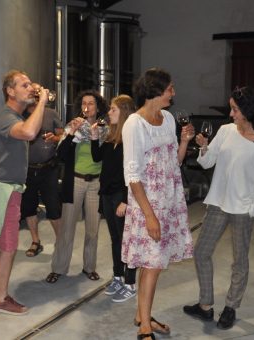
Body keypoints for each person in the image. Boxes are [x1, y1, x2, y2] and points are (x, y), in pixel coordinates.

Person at [182, 87, 254, 329]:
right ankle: (205, 305)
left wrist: (252, 209)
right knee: (201, 252)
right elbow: (207, 162)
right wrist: (204, 146)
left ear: (247, 111)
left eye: (235, 109)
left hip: (242, 210)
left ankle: (231, 306)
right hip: (217, 203)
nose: (231, 113)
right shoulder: (226, 131)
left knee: (239, 260)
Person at [122, 68, 195, 340]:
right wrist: (150, 216)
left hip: (168, 201)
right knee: (152, 264)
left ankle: (142, 314)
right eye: (170, 88)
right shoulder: (134, 124)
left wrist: (185, 141)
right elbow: (132, 175)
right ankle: (143, 326)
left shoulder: (166, 119)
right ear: (156, 91)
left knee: (155, 264)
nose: (173, 93)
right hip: (147, 205)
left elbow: (173, 162)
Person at [0, 70, 49, 315]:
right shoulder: (6, 116)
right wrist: (43, 100)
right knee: (9, 245)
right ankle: (1, 299)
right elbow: (28, 133)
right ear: (10, 91)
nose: (30, 88)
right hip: (4, 188)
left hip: (5, 186)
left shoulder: (13, 115)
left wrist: (36, 100)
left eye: (30, 84)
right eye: (23, 85)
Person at [46, 90, 108, 284]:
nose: (87, 106)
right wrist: (71, 134)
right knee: (67, 228)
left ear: (98, 107)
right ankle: (58, 268)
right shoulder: (73, 126)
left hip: (95, 182)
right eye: (83, 103)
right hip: (75, 181)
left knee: (92, 229)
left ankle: (89, 267)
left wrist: (95, 136)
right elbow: (62, 155)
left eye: (91, 103)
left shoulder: (105, 128)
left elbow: (99, 157)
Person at [90, 94, 137, 303]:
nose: (108, 113)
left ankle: (130, 282)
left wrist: (126, 200)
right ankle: (118, 276)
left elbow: (133, 173)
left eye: (113, 110)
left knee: (128, 240)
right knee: (115, 238)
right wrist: (93, 138)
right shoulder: (111, 136)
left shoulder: (130, 140)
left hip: (121, 195)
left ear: (124, 112)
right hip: (107, 193)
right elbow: (97, 157)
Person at [21, 83, 64, 257]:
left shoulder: (51, 114)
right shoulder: (21, 115)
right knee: (29, 208)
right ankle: (35, 241)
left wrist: (55, 138)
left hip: (48, 168)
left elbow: (63, 136)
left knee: (53, 208)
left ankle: (61, 242)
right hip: (27, 170)